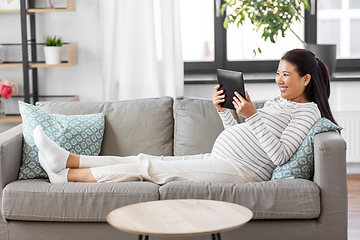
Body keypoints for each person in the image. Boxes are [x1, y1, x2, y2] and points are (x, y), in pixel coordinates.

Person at [34, 48, 336, 184]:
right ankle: (66, 160)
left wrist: (253, 116)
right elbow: (245, 134)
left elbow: (280, 156)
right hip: (223, 160)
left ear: (306, 80)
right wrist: (226, 113)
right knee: (143, 157)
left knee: (147, 167)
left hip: (242, 173)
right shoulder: (277, 103)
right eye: (277, 74)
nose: (279, 80)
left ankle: (67, 176)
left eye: (286, 75)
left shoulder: (307, 112)